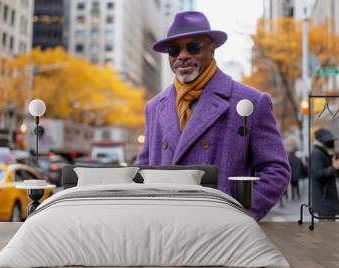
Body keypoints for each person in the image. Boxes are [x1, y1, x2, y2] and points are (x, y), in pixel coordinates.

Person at [137, 11, 290, 221]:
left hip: (222, 232)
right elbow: (143, 169)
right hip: (165, 227)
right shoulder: (155, 106)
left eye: (193, 47)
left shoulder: (251, 101)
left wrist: (241, 215)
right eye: (174, 50)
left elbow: (276, 169)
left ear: (212, 47)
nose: (182, 56)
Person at [311, 128, 339, 218]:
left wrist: (335, 167)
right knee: (327, 228)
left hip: (329, 198)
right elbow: (317, 174)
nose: (332, 143)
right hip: (324, 199)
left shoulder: (326, 153)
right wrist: (334, 167)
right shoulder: (316, 153)